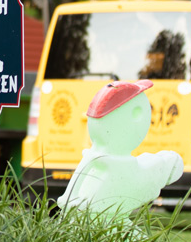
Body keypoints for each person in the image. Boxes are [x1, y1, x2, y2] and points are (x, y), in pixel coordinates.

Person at [60, 80, 184, 222]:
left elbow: (88, 162)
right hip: (98, 210)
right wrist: (70, 197)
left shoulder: (108, 159)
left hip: (100, 211)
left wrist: (70, 196)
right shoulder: (115, 162)